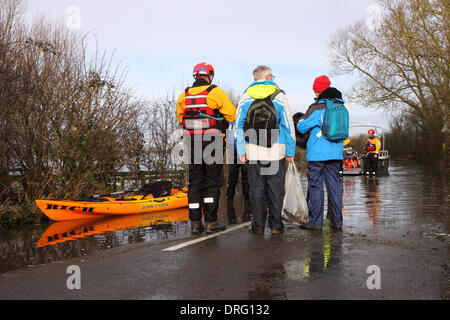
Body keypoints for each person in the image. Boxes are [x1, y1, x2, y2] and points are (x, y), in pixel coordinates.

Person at [235, 65, 296, 235]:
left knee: (256, 189)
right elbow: (288, 126)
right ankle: (276, 226)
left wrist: (241, 150)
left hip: (253, 149)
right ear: (268, 76)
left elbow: (238, 126)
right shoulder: (279, 96)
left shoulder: (245, 96)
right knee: (275, 188)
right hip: (276, 149)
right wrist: (290, 151)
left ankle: (258, 227)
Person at [177, 62, 236, 234]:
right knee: (212, 180)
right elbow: (232, 114)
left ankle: (195, 223)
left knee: (194, 181)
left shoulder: (184, 95)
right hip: (213, 141)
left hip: (192, 141)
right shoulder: (215, 92)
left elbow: (181, 119)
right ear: (209, 75)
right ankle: (211, 222)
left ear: (195, 75)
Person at [296, 75, 344, 230]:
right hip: (336, 154)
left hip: (317, 155)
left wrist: (301, 120)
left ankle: (315, 223)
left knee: (316, 187)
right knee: (335, 187)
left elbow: (302, 127)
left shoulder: (317, 107)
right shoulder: (340, 107)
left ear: (317, 90)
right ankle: (337, 222)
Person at [226, 122, 251, 224]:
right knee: (234, 175)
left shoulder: (239, 113)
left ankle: (246, 200)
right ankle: (230, 199)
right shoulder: (233, 115)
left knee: (244, 175)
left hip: (242, 147)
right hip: (235, 147)